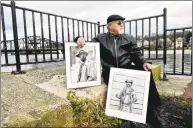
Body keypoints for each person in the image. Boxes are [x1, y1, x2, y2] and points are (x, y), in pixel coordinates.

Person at [74, 14, 166, 127]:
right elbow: (85, 45)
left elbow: (136, 55)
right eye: (119, 22)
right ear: (109, 25)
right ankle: (128, 116)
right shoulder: (100, 38)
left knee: (146, 71)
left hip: (126, 69)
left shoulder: (129, 38)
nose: (122, 25)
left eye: (123, 22)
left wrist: (144, 62)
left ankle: (152, 110)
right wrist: (78, 38)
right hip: (111, 73)